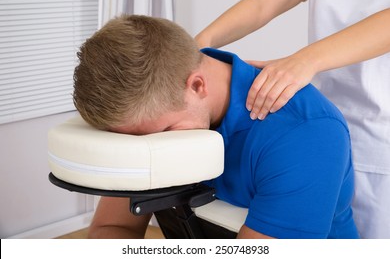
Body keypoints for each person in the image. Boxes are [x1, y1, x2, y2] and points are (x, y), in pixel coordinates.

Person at [73, 14, 359, 239]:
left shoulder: (303, 135)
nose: (153, 148)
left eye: (162, 135)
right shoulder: (149, 114)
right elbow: (112, 229)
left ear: (197, 86)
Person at [195, 0, 390, 239]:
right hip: (329, 133)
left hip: (379, 144)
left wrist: (305, 60)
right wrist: (197, 45)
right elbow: (262, 3)